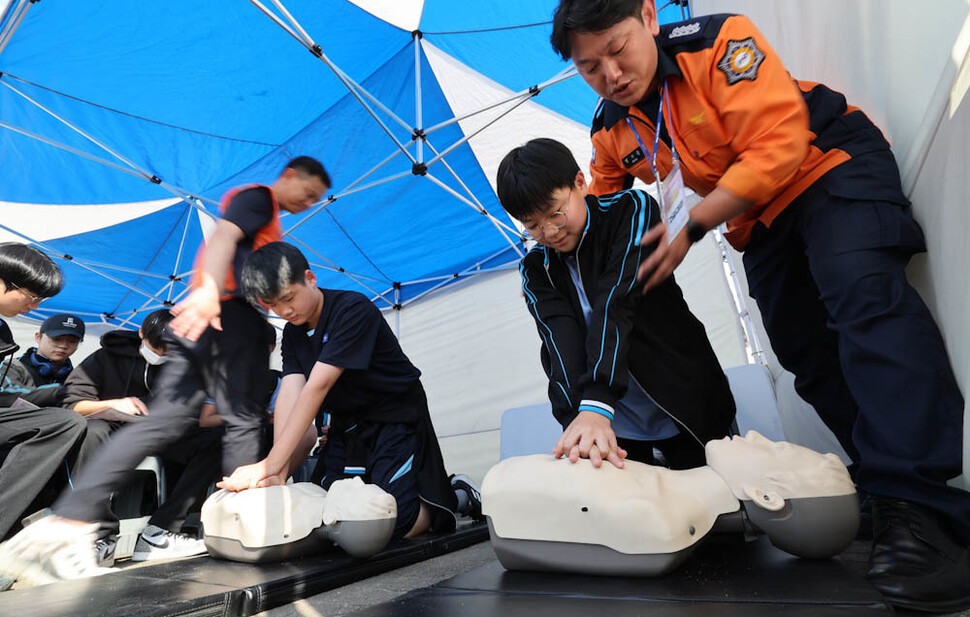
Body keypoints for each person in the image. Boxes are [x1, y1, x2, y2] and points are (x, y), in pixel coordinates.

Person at [550, 0, 970, 610]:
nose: (610, 74)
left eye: (617, 49)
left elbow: (779, 144)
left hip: (826, 165)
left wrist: (691, 226)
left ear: (647, 16)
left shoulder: (717, 42)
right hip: (756, 221)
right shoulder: (610, 127)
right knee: (802, 348)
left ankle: (928, 510)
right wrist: (566, 239)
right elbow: (605, 199)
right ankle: (886, 486)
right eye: (590, 68)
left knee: (860, 297)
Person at [0, 157, 330, 586]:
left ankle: (66, 526)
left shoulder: (260, 210)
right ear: (289, 176)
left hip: (210, 316)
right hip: (231, 314)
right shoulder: (259, 200)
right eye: (307, 193)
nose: (308, 203)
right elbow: (224, 237)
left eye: (315, 201)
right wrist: (211, 290)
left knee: (164, 423)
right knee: (244, 421)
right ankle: (246, 529)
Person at [496, 138, 735, 471]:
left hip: (682, 397)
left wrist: (595, 403)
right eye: (532, 226)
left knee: (714, 503)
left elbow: (616, 301)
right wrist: (575, 420)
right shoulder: (537, 268)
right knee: (634, 515)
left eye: (555, 214)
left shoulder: (630, 210)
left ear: (579, 182)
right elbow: (559, 345)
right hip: (611, 422)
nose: (549, 232)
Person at [218, 241, 465, 539]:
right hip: (347, 426)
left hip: (395, 417)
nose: (284, 311)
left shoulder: (352, 309)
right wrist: (279, 471)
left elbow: (316, 387)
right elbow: (290, 393)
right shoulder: (294, 334)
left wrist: (269, 464)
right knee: (327, 513)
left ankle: (459, 495)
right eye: (273, 305)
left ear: (310, 279)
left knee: (394, 523)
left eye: (288, 298)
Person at [58, 309, 222, 564]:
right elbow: (71, 404)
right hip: (108, 428)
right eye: (155, 347)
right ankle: (99, 535)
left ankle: (161, 531)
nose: (159, 356)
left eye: (168, 353)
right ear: (141, 333)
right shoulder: (106, 358)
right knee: (91, 431)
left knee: (214, 437)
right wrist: (114, 404)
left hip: (158, 433)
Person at [0, 243, 89, 548]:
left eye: (71, 342)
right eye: (33, 296)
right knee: (65, 422)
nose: (34, 306)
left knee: (68, 422)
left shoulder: (3, 334)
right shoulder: (19, 359)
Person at [0, 313, 84, 407]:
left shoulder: (76, 377)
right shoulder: (11, 366)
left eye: (72, 341)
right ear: (38, 337)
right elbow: (6, 395)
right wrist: (63, 391)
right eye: (56, 339)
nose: (63, 345)